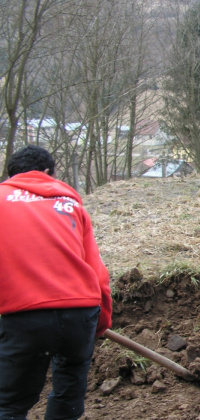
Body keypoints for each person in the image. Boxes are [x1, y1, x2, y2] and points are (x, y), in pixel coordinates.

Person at [0, 145, 112, 420]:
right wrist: (100, 322)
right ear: (49, 173)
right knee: (68, 396)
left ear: (11, 175)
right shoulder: (72, 205)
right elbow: (95, 270)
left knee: (10, 405)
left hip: (24, 314)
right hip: (81, 311)